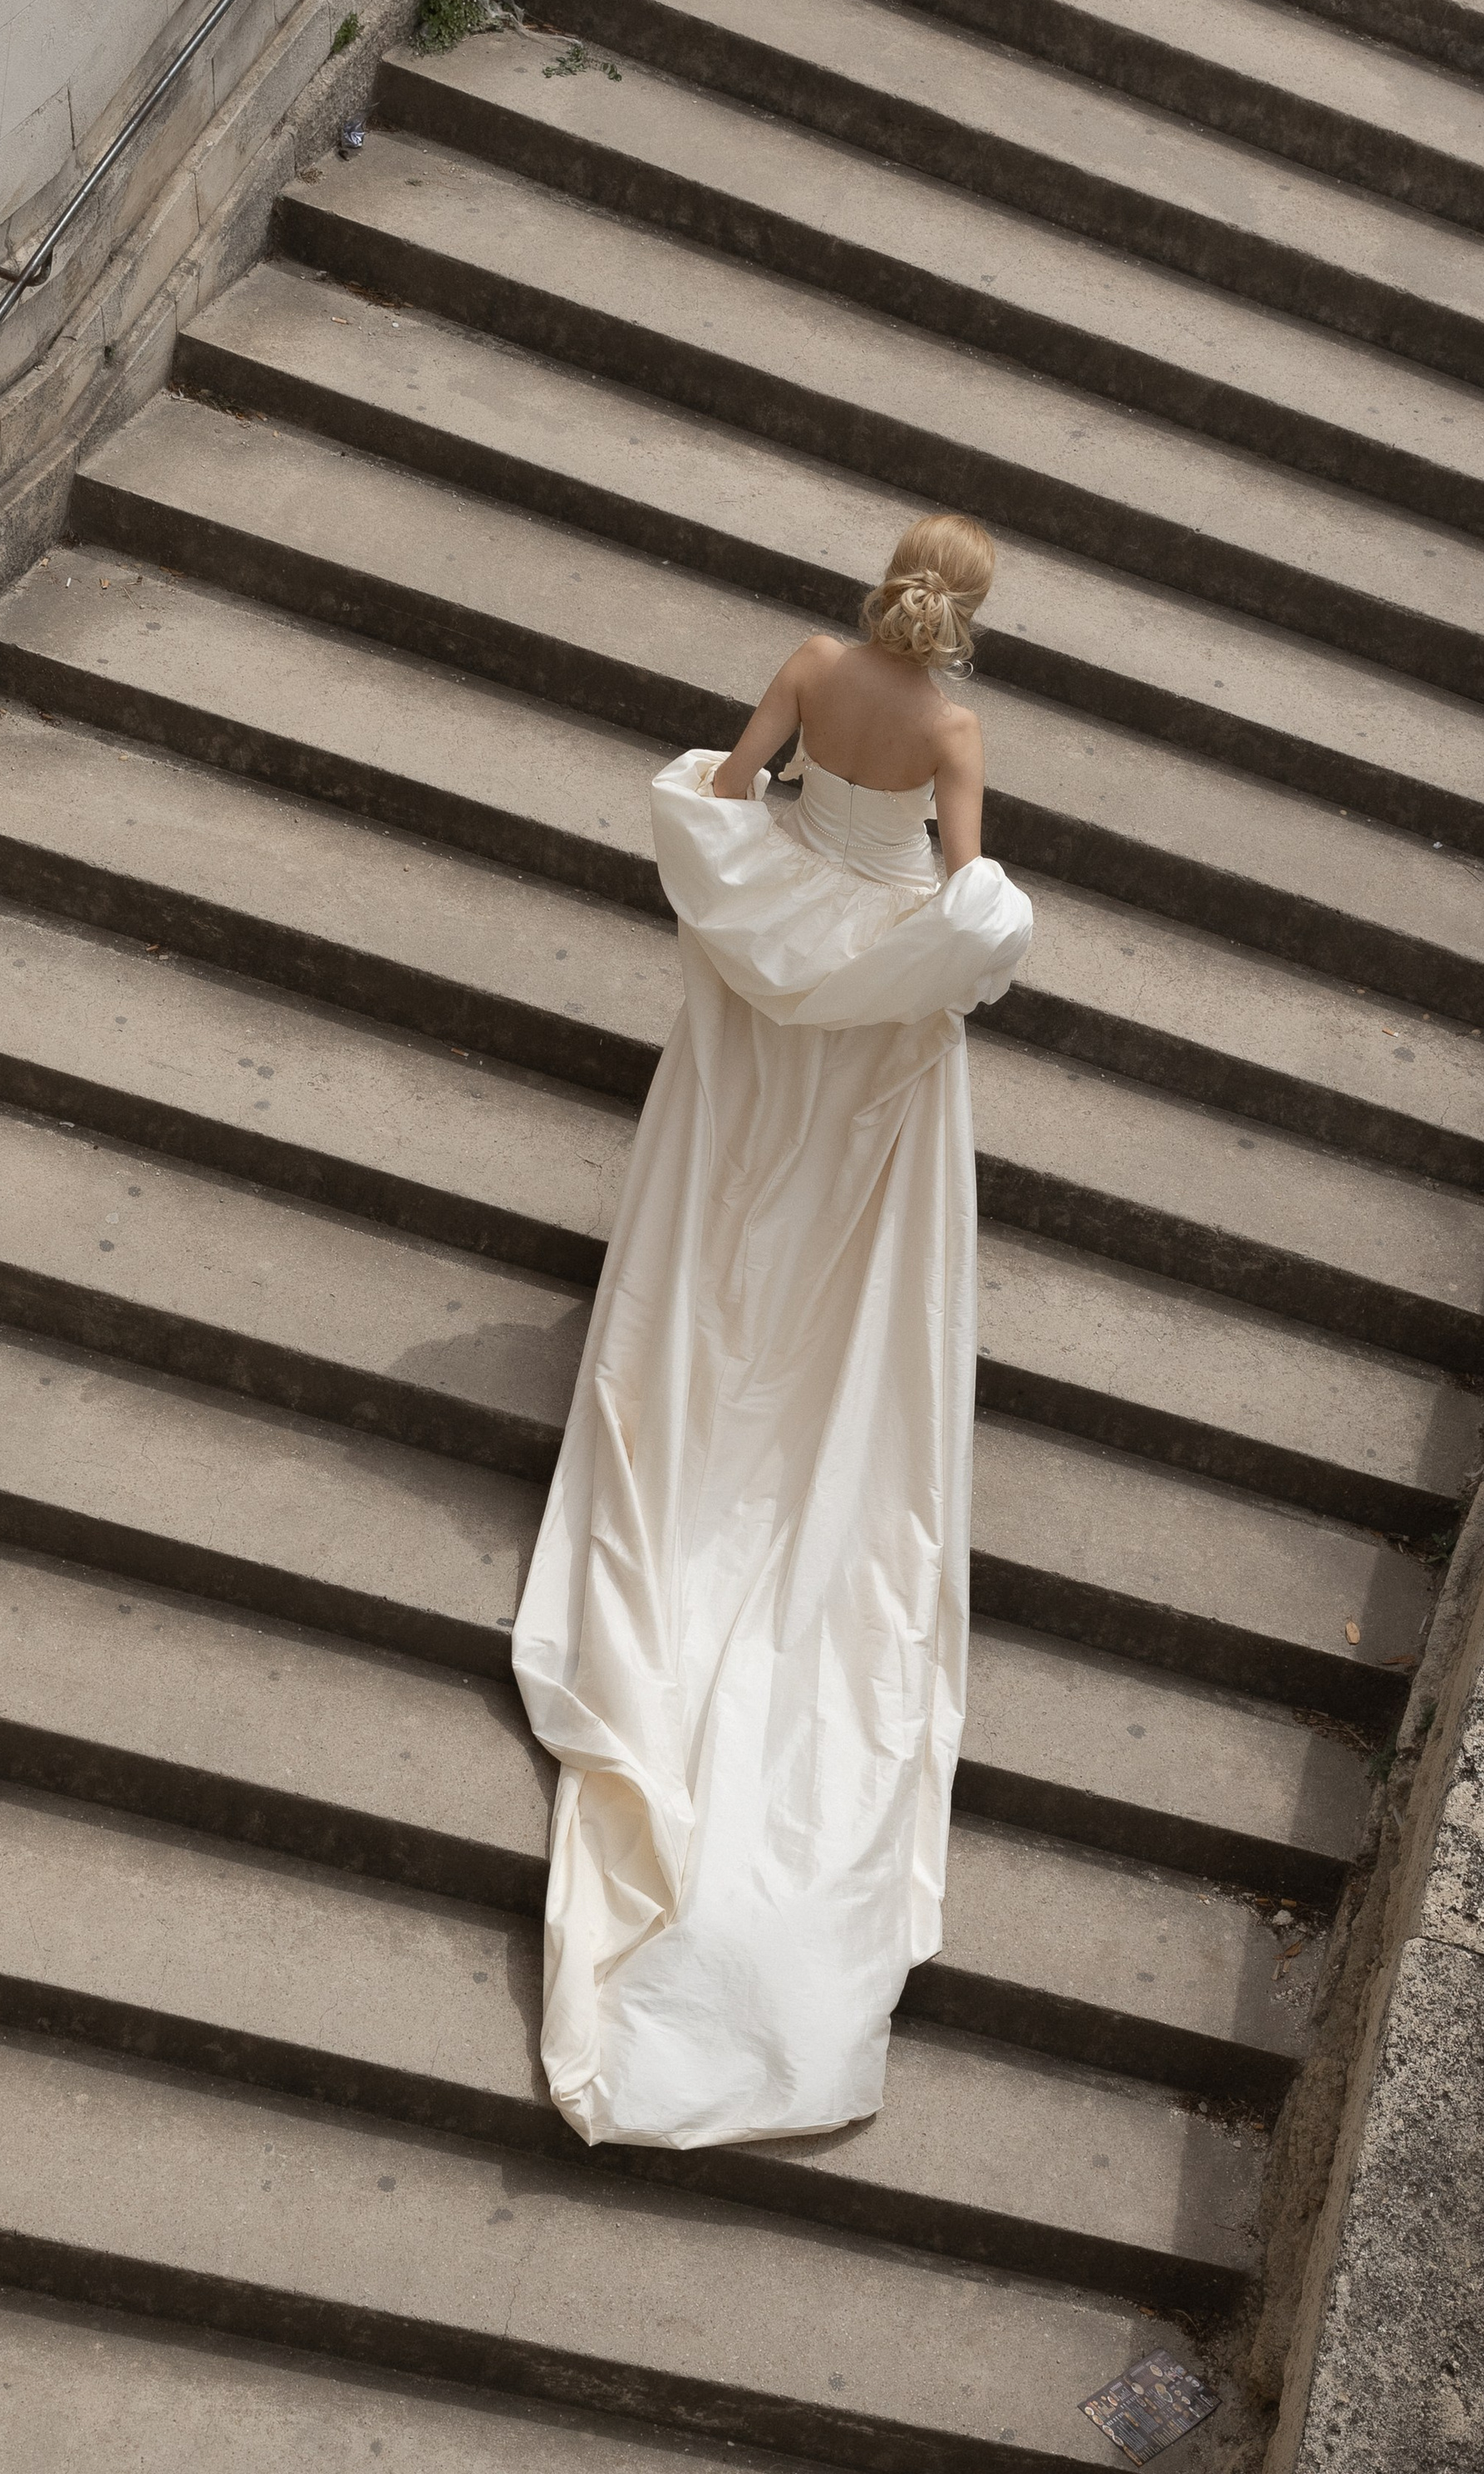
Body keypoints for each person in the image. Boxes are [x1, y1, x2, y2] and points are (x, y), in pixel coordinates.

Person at [513, 513, 1034, 2150]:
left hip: (767, 962)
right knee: (837, 1208)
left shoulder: (812, 667)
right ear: (964, 612)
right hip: (872, 985)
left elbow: (729, 794)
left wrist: (769, 897)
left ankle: (708, 1330)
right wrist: (986, 924)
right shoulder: (951, 728)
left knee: (728, 1172)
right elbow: (955, 892)